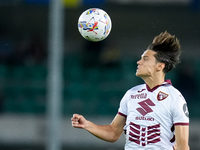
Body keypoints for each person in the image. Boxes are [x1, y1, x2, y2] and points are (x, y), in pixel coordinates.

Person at [71, 31, 189, 150]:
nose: (139, 62)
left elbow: (182, 146)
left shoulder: (175, 98)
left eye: (145, 59)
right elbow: (113, 133)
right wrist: (87, 125)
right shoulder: (131, 94)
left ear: (160, 66)